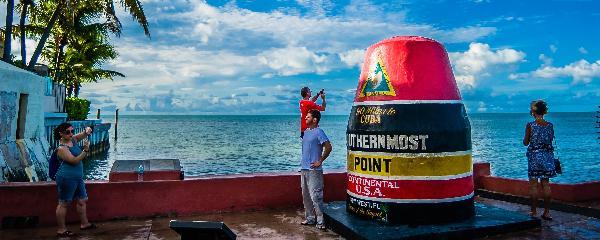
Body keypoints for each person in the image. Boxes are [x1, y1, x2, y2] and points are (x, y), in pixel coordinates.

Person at [53, 123, 96, 237]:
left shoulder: (73, 140)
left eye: (72, 131)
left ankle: (85, 224)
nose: (71, 134)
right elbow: (74, 161)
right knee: (64, 203)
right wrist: (85, 150)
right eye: (68, 132)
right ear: (61, 134)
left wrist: (87, 131)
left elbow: (81, 135)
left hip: (78, 177)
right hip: (66, 178)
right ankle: (61, 230)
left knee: (82, 200)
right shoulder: (62, 148)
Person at [523, 100, 556, 220]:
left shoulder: (530, 125)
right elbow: (550, 140)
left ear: (533, 111)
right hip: (547, 157)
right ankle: (547, 212)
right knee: (546, 184)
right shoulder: (550, 125)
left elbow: (525, 142)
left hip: (534, 158)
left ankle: (533, 212)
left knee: (533, 186)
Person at [300, 109, 332, 230]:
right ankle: (310, 219)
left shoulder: (319, 132)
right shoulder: (306, 132)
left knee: (316, 197)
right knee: (306, 196)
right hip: (304, 169)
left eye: (308, 117)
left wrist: (320, 160)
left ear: (315, 120)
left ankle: (320, 222)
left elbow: (328, 147)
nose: (305, 118)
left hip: (314, 170)